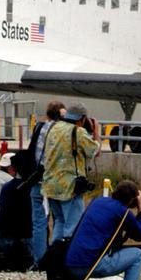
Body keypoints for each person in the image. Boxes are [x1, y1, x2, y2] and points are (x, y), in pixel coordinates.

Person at [65, 179, 141, 280]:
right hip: (93, 266)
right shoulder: (123, 212)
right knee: (138, 255)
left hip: (71, 264)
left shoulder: (97, 201)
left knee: (86, 250)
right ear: (132, 200)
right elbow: (139, 235)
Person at [42, 102, 100, 241]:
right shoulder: (78, 131)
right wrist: (96, 131)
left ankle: (56, 255)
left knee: (60, 222)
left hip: (50, 185)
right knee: (73, 227)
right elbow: (94, 151)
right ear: (82, 118)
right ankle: (69, 257)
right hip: (69, 187)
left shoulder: (53, 128)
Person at [27, 101, 66, 266]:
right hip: (54, 181)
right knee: (59, 219)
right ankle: (55, 259)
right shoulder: (61, 130)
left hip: (37, 179)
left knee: (39, 222)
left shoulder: (39, 127)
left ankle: (39, 261)